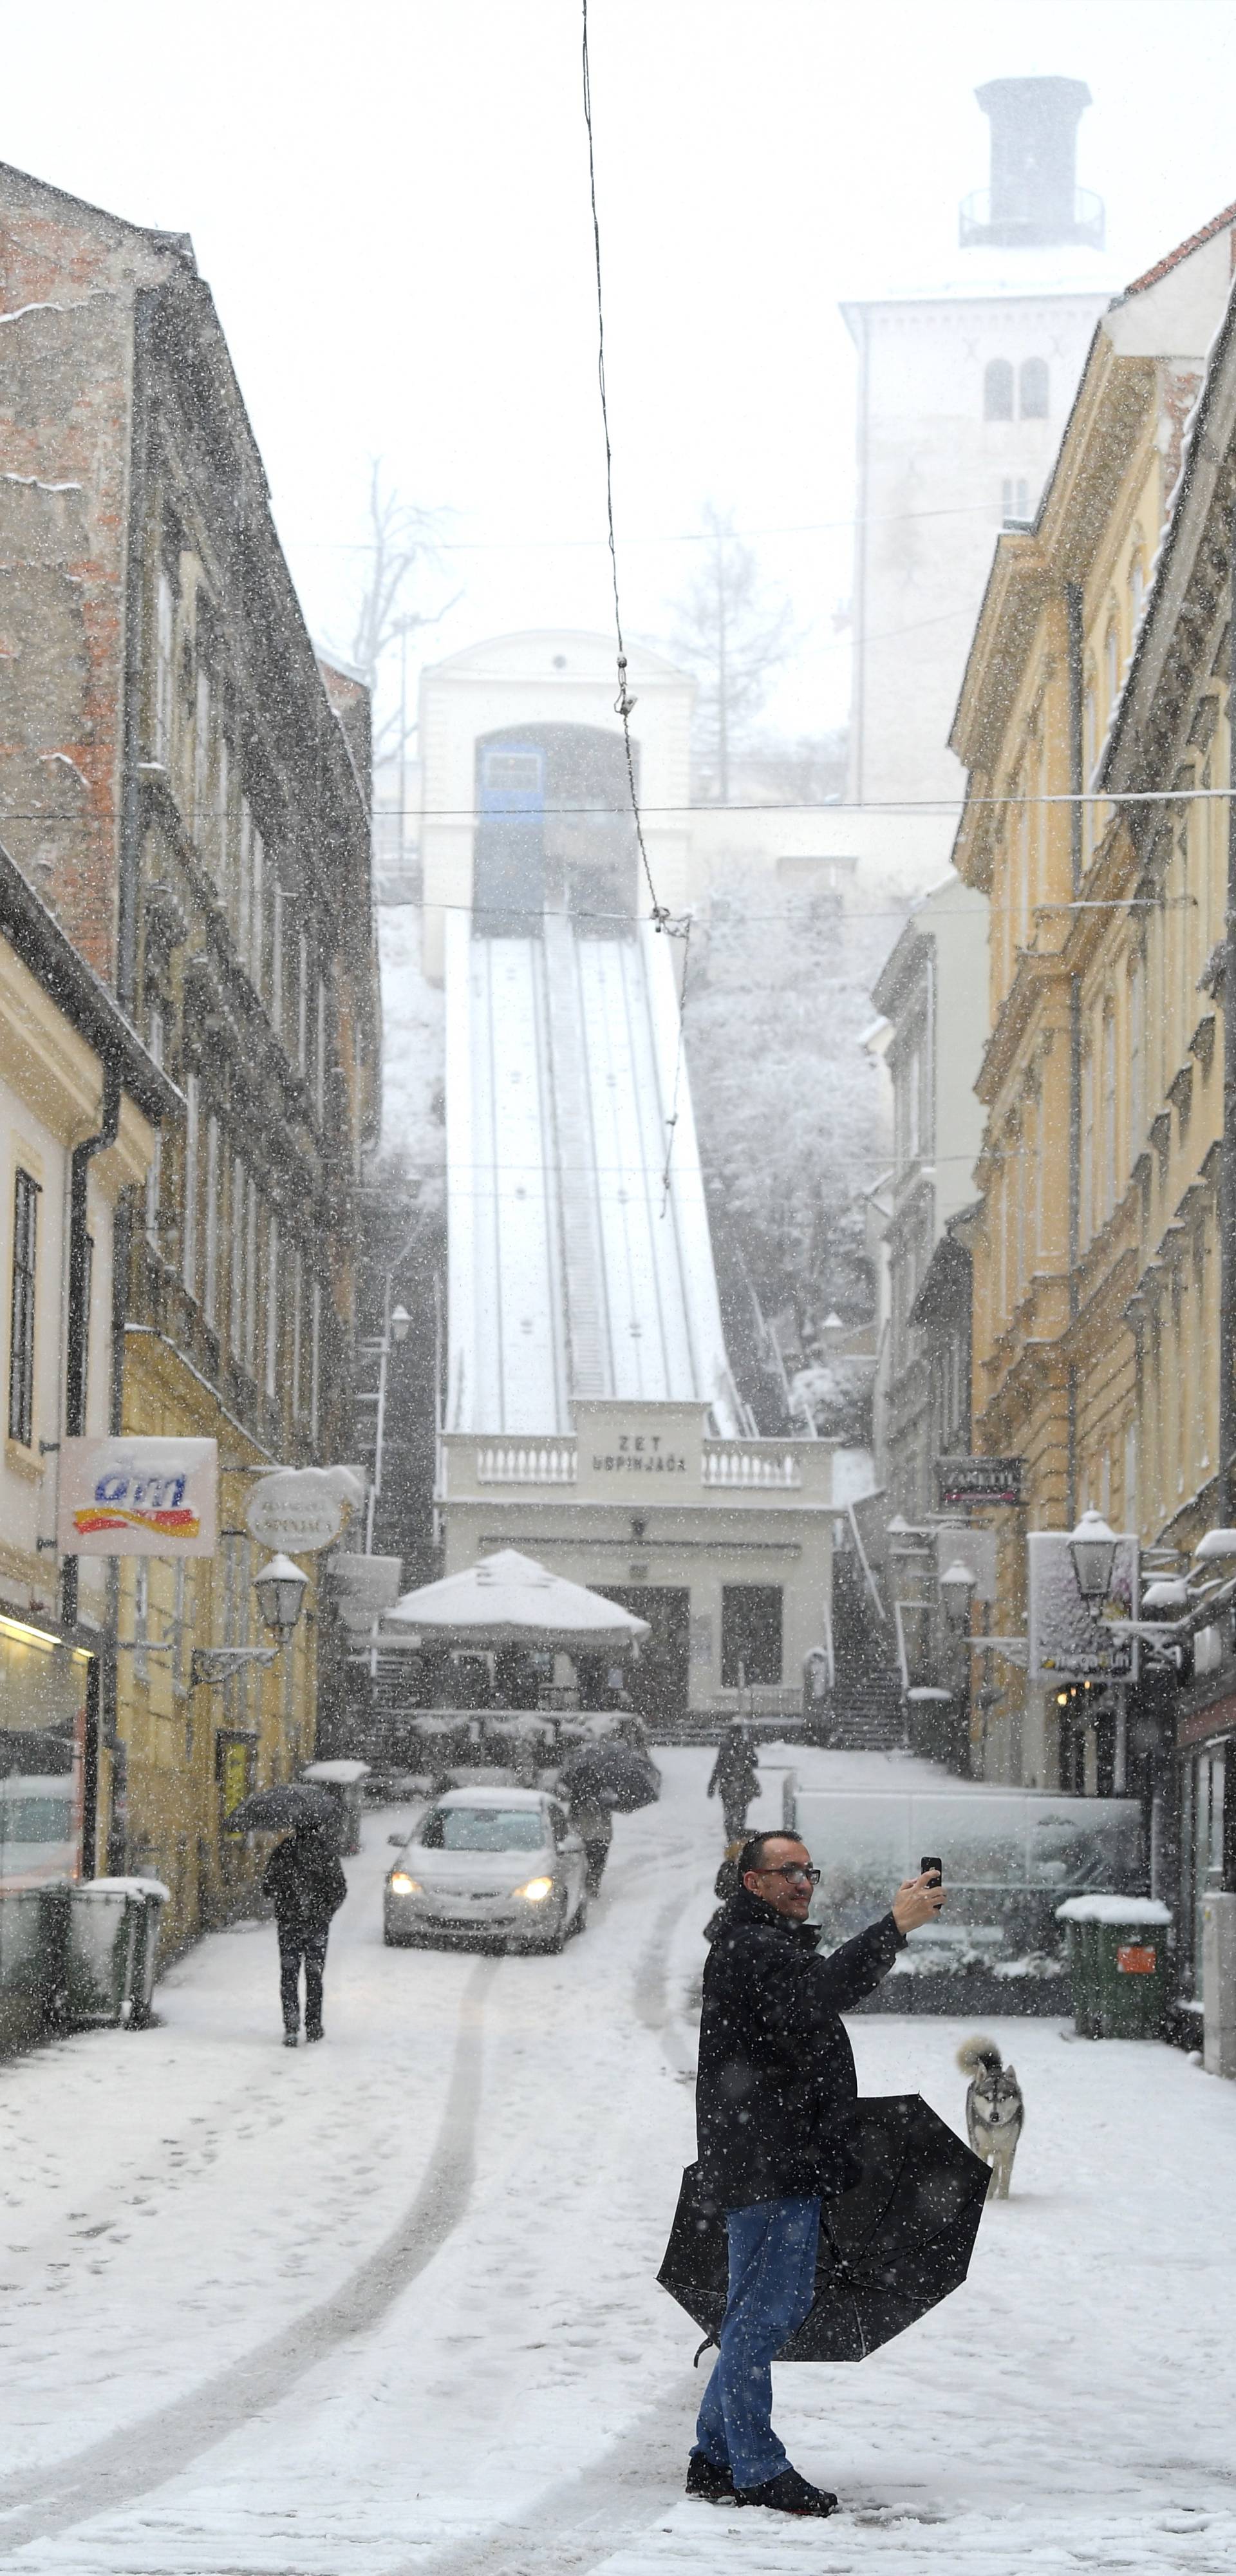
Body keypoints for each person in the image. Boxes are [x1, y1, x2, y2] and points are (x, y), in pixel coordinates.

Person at [686, 1830, 945, 2517]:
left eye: (809, 1870)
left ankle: (715, 2456)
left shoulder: (759, 1943)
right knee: (767, 2314)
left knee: (752, 2311)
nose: (803, 1881)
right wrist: (892, 1929)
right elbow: (821, 1994)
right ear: (753, 1883)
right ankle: (757, 2466)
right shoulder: (755, 1948)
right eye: (787, 1871)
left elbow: (811, 2000)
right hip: (771, 2158)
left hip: (769, 2153)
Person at [262, 1821, 348, 2047]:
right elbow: (339, 1889)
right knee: (314, 1975)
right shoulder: (326, 1852)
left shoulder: (284, 1851)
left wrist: (284, 1895)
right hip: (317, 1925)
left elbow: (267, 1887)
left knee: (289, 1975)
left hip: (289, 1924)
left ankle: (291, 2027)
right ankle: (313, 2026)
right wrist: (326, 1911)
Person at [557, 1753, 613, 1897]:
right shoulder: (606, 1785)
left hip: (584, 1831)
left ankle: (586, 1883)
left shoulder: (578, 1787)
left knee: (585, 1859)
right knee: (598, 1859)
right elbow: (611, 1804)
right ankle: (593, 1883)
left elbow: (573, 1813)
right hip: (601, 1832)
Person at [707, 1720, 760, 1843]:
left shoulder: (730, 1748)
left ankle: (733, 1837)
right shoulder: (740, 1747)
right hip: (737, 1786)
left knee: (732, 1813)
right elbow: (755, 1763)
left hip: (733, 1786)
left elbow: (718, 1767)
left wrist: (712, 1784)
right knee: (736, 1812)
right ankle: (734, 1836)